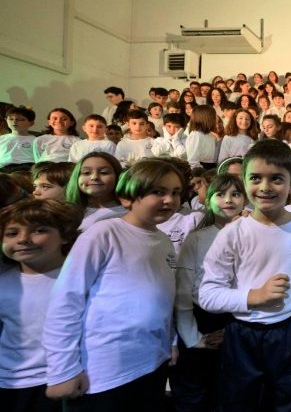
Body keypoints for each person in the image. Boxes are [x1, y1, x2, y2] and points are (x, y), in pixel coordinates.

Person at [44, 159, 186, 410]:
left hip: (152, 361)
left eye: (175, 192)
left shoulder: (163, 240)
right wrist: (62, 370)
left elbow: (164, 298)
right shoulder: (104, 234)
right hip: (106, 369)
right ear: (127, 198)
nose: (170, 200)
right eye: (158, 192)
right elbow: (66, 300)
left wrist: (171, 340)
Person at [199, 139, 291, 411]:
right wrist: (254, 296)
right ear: (244, 182)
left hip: (290, 333)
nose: (265, 187)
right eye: (255, 178)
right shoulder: (232, 233)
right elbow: (208, 295)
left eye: (276, 179)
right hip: (243, 336)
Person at [0, 199, 82, 412]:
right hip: (10, 382)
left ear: (65, 235)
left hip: (63, 378)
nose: (23, 239)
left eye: (39, 230)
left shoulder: (80, 276)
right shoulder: (3, 282)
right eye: (12, 233)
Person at [173, 174, 245, 412]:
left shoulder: (252, 235)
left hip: (238, 321)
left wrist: (233, 330)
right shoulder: (196, 239)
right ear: (208, 199)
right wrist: (192, 338)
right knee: (195, 394)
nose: (229, 200)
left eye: (236, 194)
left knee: (230, 393)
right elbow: (183, 292)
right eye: (221, 194)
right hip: (201, 321)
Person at [65, 152, 125, 232]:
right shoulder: (67, 212)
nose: (94, 177)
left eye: (104, 172)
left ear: (118, 176)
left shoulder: (130, 212)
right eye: (86, 173)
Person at [0, 106, 36, 171]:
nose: (14, 121)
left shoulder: (36, 140)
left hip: (28, 168)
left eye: (20, 119)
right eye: (11, 119)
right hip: (4, 169)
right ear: (6, 120)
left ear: (31, 123)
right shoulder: (1, 139)